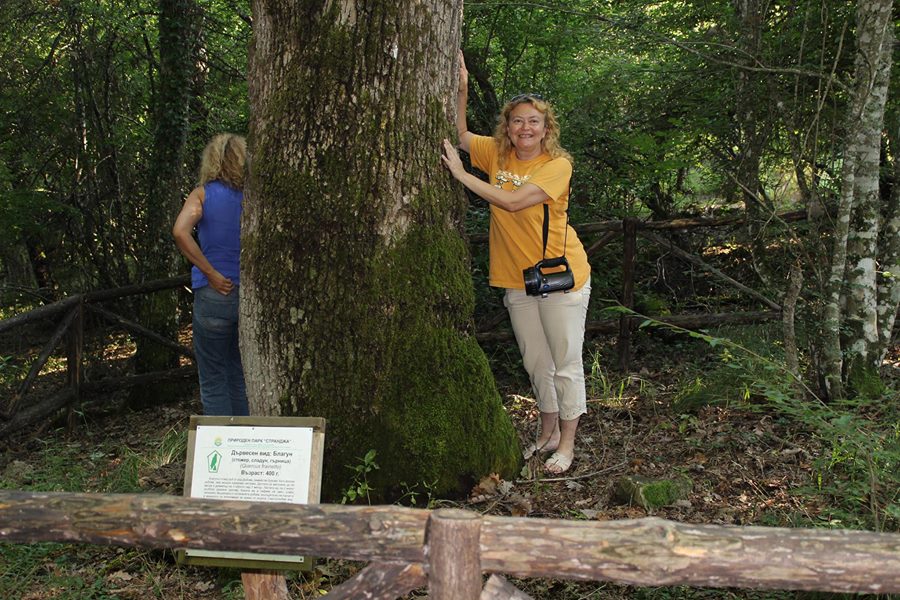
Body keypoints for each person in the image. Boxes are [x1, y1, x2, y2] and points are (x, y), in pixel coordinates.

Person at [441, 53, 591, 474]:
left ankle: (567, 444)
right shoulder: (498, 155)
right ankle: (545, 433)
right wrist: (462, 89)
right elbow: (461, 134)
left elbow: (511, 201)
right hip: (515, 278)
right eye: (518, 121)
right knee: (535, 362)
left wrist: (462, 176)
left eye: (534, 122)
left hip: (560, 277)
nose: (525, 128)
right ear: (507, 127)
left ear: (547, 129)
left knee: (565, 363)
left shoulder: (557, 165)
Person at [172, 133, 250, 416]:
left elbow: (180, 232)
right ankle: (244, 448)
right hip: (247, 297)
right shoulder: (253, 197)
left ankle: (221, 451)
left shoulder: (202, 194)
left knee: (214, 376)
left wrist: (210, 273)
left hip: (215, 293)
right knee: (238, 375)